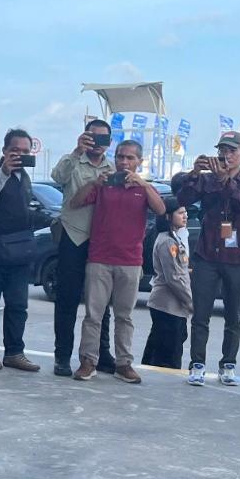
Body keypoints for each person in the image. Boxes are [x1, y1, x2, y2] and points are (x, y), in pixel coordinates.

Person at [72, 140, 164, 382]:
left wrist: (144, 184)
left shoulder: (143, 188)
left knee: (125, 316)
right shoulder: (105, 184)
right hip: (99, 258)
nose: (124, 162)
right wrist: (93, 182)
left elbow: (161, 209)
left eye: (130, 158)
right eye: (121, 156)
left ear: (139, 161)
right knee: (93, 315)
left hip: (130, 261)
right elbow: (75, 202)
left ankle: (124, 364)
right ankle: (88, 361)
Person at [171, 131, 240, 386]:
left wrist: (225, 180)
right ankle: (197, 364)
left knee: (234, 315)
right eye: (222, 150)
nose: (226, 156)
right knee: (200, 314)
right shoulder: (206, 179)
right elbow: (182, 199)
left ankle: (228, 364)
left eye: (232, 151)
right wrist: (194, 173)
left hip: (236, 257)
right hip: (207, 254)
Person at [48, 119, 117, 377]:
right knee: (67, 299)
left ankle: (101, 354)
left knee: (102, 302)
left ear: (110, 142)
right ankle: (62, 356)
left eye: (103, 139)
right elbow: (58, 177)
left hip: (102, 239)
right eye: (93, 137)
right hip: (73, 235)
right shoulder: (73, 161)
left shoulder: (114, 167)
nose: (97, 143)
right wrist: (77, 150)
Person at [0, 129, 42, 372]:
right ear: (4, 151)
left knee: (18, 305)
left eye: (25, 151)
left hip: (18, 251)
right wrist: (4, 171)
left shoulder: (24, 177)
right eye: (15, 151)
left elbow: (23, 210)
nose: (20, 156)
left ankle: (14, 352)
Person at [141, 203, 191, 368]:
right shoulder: (167, 242)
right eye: (180, 213)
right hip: (168, 305)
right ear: (168, 216)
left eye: (185, 213)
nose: (185, 216)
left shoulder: (174, 238)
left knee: (158, 348)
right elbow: (173, 278)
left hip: (172, 304)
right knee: (168, 355)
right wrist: (189, 301)